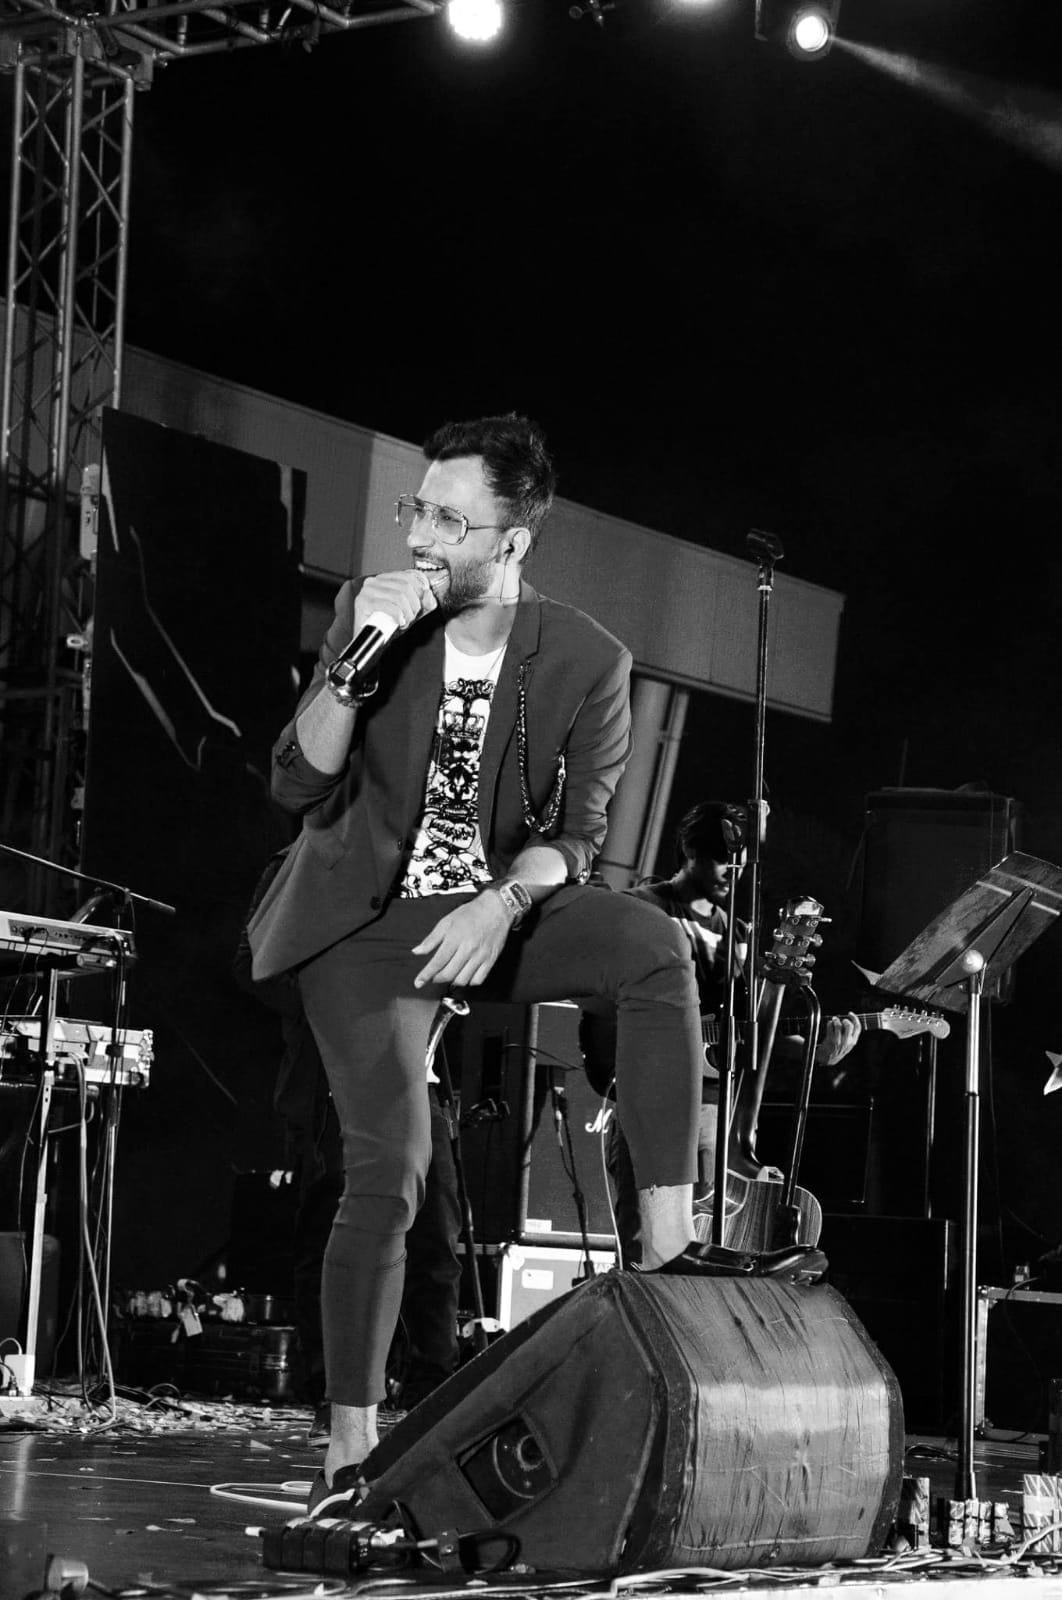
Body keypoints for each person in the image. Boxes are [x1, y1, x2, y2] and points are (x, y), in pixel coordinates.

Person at [247, 414, 763, 1518]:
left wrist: (504, 900)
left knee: (654, 946)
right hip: (361, 925)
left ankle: (668, 1250)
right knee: (393, 1171)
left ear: (513, 540)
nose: (420, 536)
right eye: (417, 510)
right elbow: (296, 785)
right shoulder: (373, 610)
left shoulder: (587, 657)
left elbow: (578, 835)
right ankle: (349, 1447)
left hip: (493, 904)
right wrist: (357, 659)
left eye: (449, 519)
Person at [234, 851, 463, 1438]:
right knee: (332, 1232)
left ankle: (432, 1390)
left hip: (418, 1075)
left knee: (436, 1235)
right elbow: (252, 964)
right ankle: (333, 1393)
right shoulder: (298, 861)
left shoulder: (426, 855)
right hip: (335, 1074)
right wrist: (345, 995)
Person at [581, 800, 862, 1265]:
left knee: (709, 1242)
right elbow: (599, 990)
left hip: (713, 1108)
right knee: (645, 1247)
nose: (733, 871)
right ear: (689, 851)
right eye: (720, 858)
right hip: (648, 1095)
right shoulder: (639, 907)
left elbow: (748, 1034)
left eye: (741, 861)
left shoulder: (739, 936)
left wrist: (815, 1051)